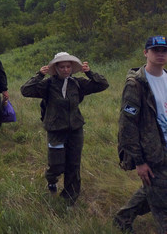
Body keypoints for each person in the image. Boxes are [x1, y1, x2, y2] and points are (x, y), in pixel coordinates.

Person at [20, 51, 109, 206]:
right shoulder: (48, 84)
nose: (66, 70)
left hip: (75, 129)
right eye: (62, 67)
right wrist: (39, 75)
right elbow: (25, 90)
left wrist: (89, 73)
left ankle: (69, 199)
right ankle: (51, 179)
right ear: (56, 68)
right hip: (55, 130)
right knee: (56, 165)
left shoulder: (78, 83)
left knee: (73, 165)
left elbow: (103, 84)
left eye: (68, 66)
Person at [114, 35, 167, 233]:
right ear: (146, 53)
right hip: (151, 152)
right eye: (156, 50)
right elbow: (127, 126)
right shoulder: (136, 84)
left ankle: (122, 218)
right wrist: (138, 161)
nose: (160, 54)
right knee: (163, 203)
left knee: (154, 188)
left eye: (164, 50)